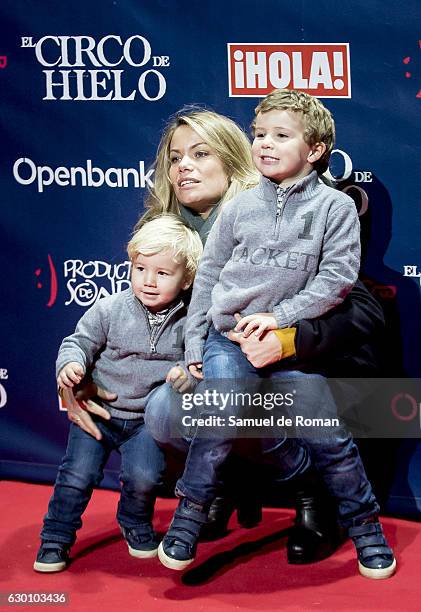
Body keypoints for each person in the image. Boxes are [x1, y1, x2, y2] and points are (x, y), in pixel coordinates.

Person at [63, 105, 385, 566]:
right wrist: (84, 369)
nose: (183, 166)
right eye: (175, 157)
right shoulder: (163, 231)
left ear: (234, 159)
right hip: (215, 357)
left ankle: (308, 491)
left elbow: (361, 308)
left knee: (231, 402)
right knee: (167, 408)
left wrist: (288, 337)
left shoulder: (302, 209)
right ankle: (220, 489)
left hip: (286, 361)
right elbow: (133, 317)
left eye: (200, 153)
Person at [157, 89, 396, 580]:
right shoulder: (240, 206)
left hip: (287, 349)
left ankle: (366, 529)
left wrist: (281, 318)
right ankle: (189, 516)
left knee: (331, 439)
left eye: (280, 136)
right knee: (218, 416)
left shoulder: (336, 208)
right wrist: (197, 343)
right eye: (259, 134)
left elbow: (336, 280)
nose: (264, 143)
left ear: (314, 150)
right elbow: (211, 275)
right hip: (228, 338)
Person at [33, 216, 202, 572]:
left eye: (162, 273)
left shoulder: (191, 321)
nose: (149, 281)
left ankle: (135, 522)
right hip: (99, 412)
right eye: (140, 269)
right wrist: (71, 367)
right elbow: (77, 342)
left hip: (143, 422)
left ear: (186, 279)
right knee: (77, 475)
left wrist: (186, 375)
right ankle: (55, 537)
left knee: (145, 478)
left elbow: (198, 364)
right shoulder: (110, 308)